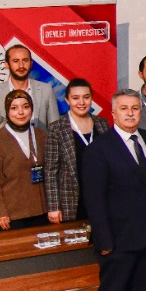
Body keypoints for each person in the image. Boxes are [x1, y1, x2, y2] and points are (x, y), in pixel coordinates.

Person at [81, 90, 146, 291]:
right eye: (124, 108)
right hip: (117, 239)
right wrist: (103, 240)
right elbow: (94, 199)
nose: (130, 113)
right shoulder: (99, 149)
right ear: (113, 113)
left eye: (135, 108)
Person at [43, 78, 109, 224]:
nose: (81, 102)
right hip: (71, 200)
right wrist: (53, 207)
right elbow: (50, 171)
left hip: (101, 197)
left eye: (86, 97)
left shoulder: (102, 124)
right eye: (75, 98)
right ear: (67, 100)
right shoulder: (56, 129)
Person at [0, 91, 49, 231]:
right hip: (11, 216)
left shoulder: (42, 136)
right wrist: (0, 212)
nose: (21, 112)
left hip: (42, 211)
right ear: (7, 111)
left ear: (32, 109)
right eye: (14, 108)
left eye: (25, 107)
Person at [0, 44, 57, 126]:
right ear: (7, 64)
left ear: (31, 63)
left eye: (25, 60)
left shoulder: (46, 90)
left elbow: (55, 126)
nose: (21, 65)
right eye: (16, 61)